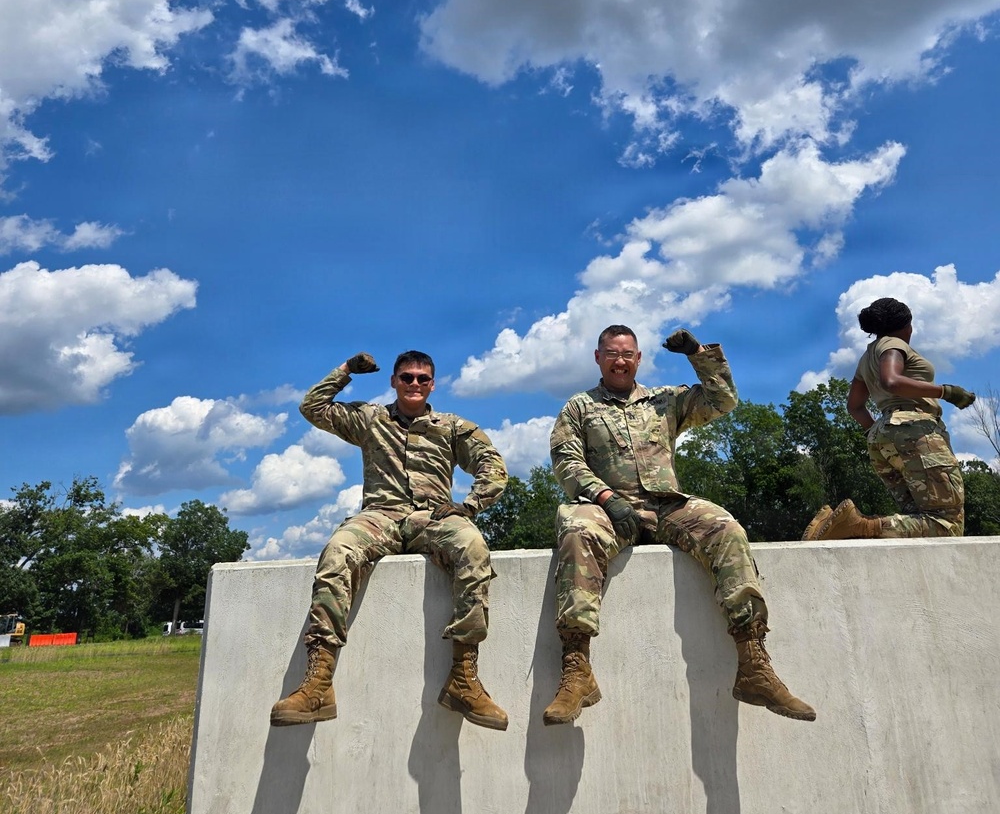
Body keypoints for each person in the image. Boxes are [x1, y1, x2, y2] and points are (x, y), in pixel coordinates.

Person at [543, 324, 815, 726]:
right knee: (577, 530)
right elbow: (566, 461)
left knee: (725, 529)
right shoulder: (580, 407)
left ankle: (754, 663)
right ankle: (577, 669)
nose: (620, 361)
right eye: (612, 353)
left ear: (638, 359)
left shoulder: (664, 401)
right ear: (598, 358)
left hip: (667, 504)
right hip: (607, 509)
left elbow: (723, 401)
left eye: (628, 354)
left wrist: (698, 353)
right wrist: (605, 498)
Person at [270, 349, 510, 730]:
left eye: (422, 379)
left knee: (473, 547)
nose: (415, 384)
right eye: (407, 377)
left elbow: (493, 467)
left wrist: (470, 505)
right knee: (338, 551)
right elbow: (312, 407)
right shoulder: (370, 419)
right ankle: (318, 683)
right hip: (379, 515)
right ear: (394, 381)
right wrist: (346, 369)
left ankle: (464, 678)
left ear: (433, 384)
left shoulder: (452, 426)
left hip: (433, 516)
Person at [803, 297, 974, 541]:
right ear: (907, 326)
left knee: (919, 519)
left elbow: (854, 406)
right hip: (915, 430)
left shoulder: (866, 357)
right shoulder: (894, 344)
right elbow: (890, 380)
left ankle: (834, 526)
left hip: (882, 435)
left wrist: (881, 432)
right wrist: (946, 392)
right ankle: (856, 525)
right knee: (946, 523)